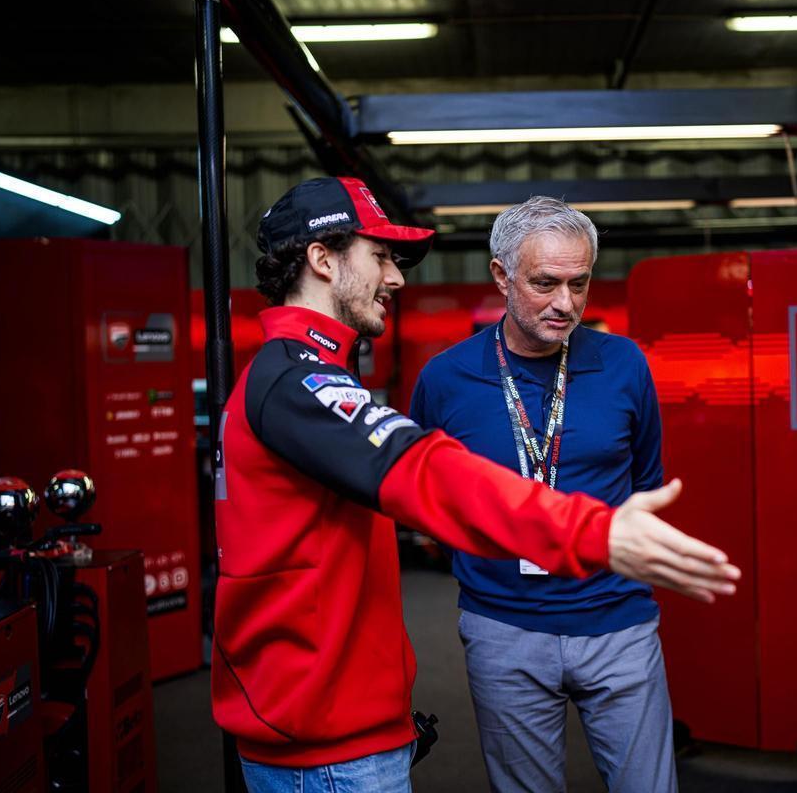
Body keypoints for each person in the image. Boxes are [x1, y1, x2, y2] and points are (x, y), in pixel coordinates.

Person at [210, 177, 741, 793]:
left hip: (344, 716)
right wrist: (590, 528)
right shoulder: (297, 381)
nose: (397, 277)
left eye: (579, 283)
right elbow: (424, 472)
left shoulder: (305, 372)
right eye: (380, 256)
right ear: (323, 260)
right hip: (327, 731)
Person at [409, 196, 676, 792]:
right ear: (501, 275)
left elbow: (645, 483)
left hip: (619, 625)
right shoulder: (446, 379)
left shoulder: (623, 364)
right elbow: (423, 501)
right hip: (504, 629)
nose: (565, 303)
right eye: (544, 282)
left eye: (578, 284)